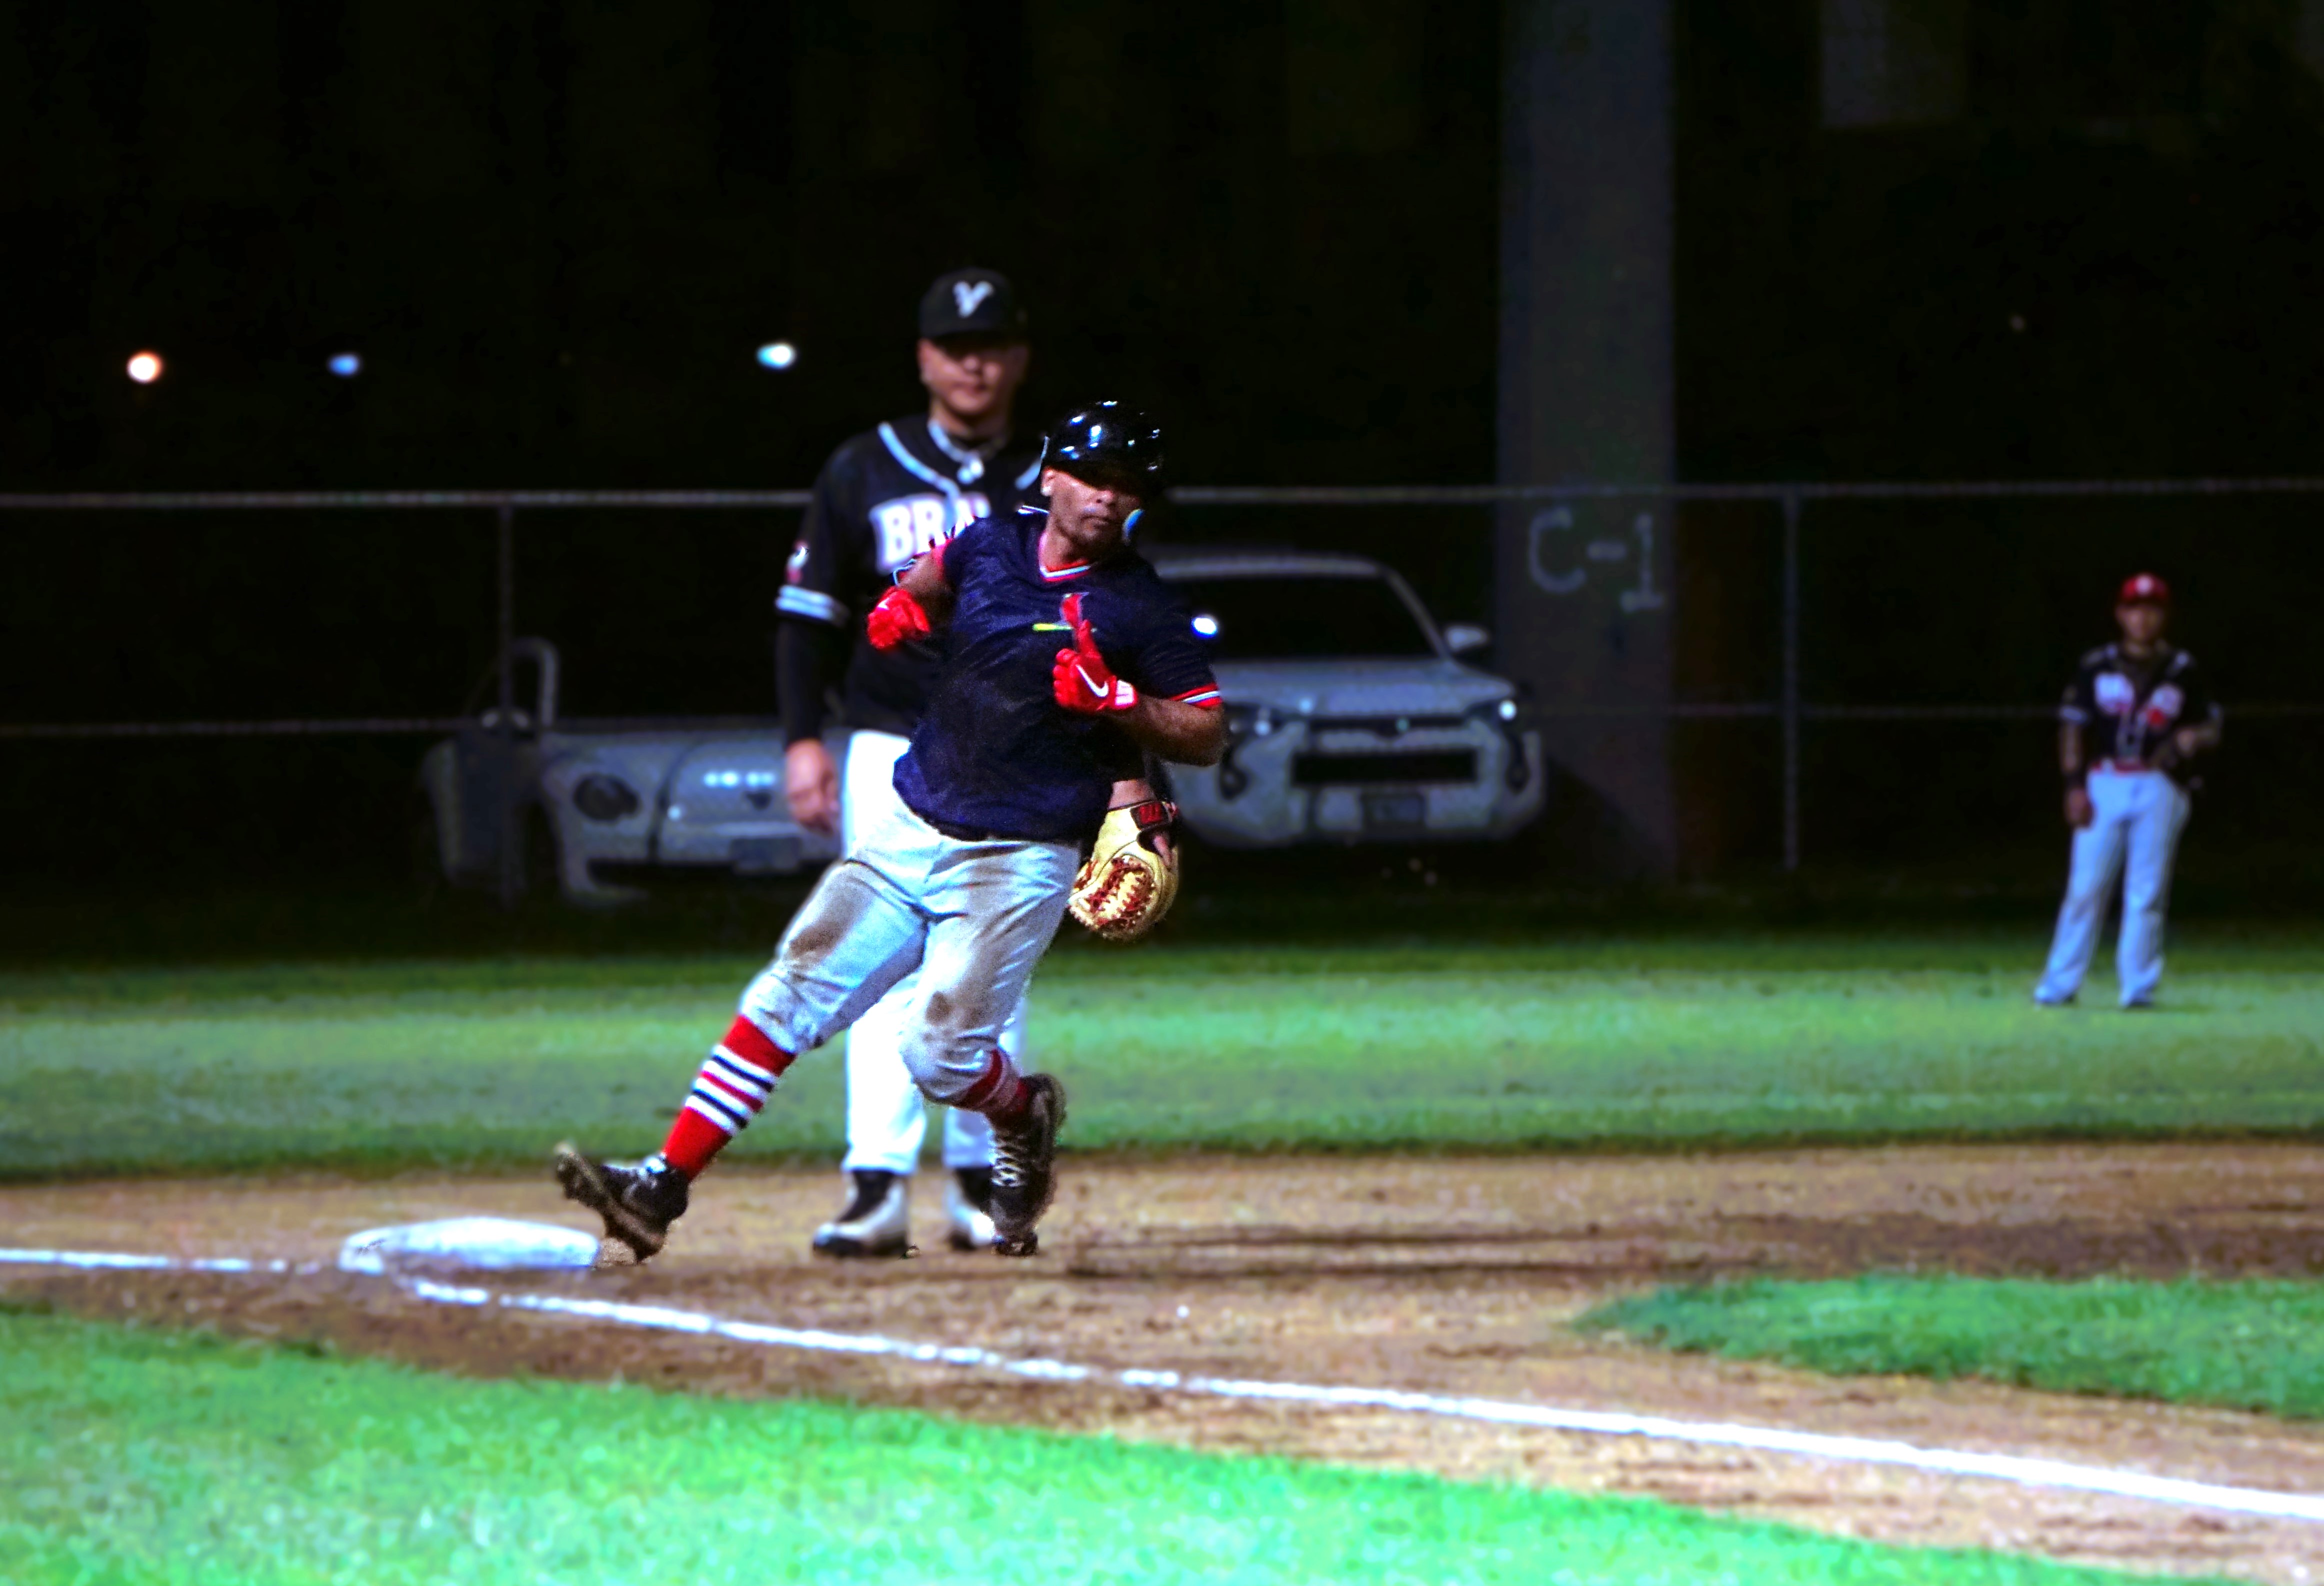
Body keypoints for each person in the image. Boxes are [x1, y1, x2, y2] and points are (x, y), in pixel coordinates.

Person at [558, 403, 1224, 1261]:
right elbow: (932, 574)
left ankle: (1023, 1113)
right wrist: (905, 603)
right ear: (1052, 475)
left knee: (939, 1056)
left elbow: (1205, 730)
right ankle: (659, 1189)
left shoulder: (1138, 607)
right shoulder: (990, 542)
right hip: (909, 823)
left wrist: (1122, 703)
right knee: (784, 996)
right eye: (1094, 477)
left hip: (1017, 857)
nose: (1107, 498)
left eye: (1128, 487)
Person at [776, 268, 1046, 1256]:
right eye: (954, 344)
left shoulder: (1055, 474)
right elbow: (807, 620)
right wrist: (803, 737)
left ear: (1019, 357)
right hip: (889, 743)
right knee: (877, 959)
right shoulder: (862, 468)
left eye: (993, 343)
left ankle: (982, 1183)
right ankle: (874, 1186)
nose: (974, 361)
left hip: (1019, 749)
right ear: (924, 358)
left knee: (992, 965)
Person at [2034, 573, 2222, 1009]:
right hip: (2106, 780)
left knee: (2147, 890)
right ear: (2121, 614)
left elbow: (2213, 724)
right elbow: (2073, 727)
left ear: (2164, 615)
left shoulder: (2182, 669)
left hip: (2160, 783)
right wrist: (2073, 785)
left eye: (2152, 608)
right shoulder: (2096, 664)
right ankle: (2059, 984)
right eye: (2135, 608)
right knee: (2086, 886)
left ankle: (2138, 987)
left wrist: (2194, 736)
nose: (2143, 617)